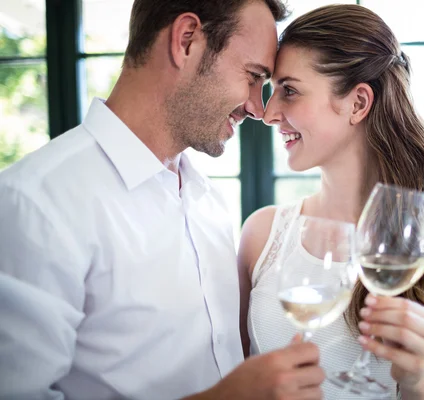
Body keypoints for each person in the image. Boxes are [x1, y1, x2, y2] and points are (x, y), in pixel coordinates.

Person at [0, 1, 325, 399]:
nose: (257, 108)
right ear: (186, 40)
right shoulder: (32, 204)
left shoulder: (208, 201)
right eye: (253, 76)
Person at [238, 4, 424, 399]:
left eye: (289, 90)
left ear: (358, 103)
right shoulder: (262, 235)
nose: (269, 112)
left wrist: (417, 380)